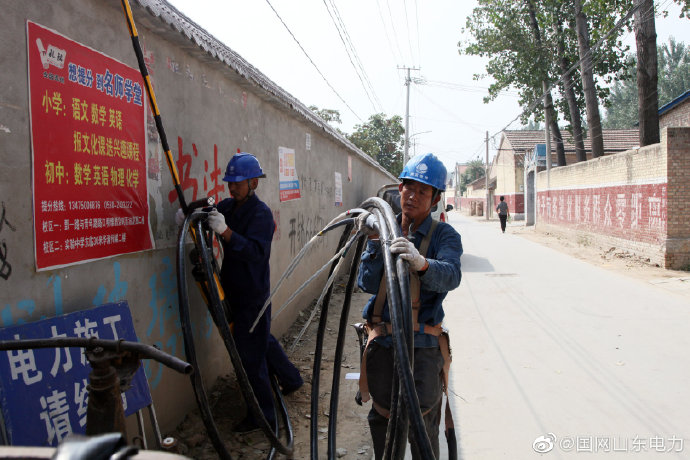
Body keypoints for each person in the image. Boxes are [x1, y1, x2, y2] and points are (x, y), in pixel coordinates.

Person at [176, 152, 302, 433]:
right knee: (260, 339)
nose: (232, 188)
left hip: (253, 294)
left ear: (253, 183)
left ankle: (264, 417)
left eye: (238, 183)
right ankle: (291, 379)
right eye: (230, 183)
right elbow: (209, 210)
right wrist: (190, 215)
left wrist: (226, 232)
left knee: (249, 355)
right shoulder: (228, 207)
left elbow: (256, 253)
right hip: (231, 287)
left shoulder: (261, 214)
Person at [356, 153, 462, 459]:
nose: (413, 196)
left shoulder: (444, 235)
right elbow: (366, 282)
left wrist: (422, 263)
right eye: (409, 188)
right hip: (383, 345)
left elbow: (451, 275)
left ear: (436, 199)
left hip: (423, 349)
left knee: (422, 424)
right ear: (399, 189)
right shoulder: (384, 229)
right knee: (382, 419)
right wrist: (374, 241)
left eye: (423, 191)